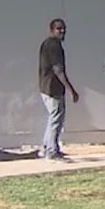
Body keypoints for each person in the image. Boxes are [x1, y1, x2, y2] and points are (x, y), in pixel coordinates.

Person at [38, 19, 78, 160]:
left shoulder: (47, 44)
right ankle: (51, 151)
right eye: (58, 28)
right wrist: (71, 89)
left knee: (53, 118)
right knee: (56, 119)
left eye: (63, 28)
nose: (62, 31)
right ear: (51, 30)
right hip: (52, 89)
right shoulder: (54, 45)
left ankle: (46, 147)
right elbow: (58, 70)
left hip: (46, 87)